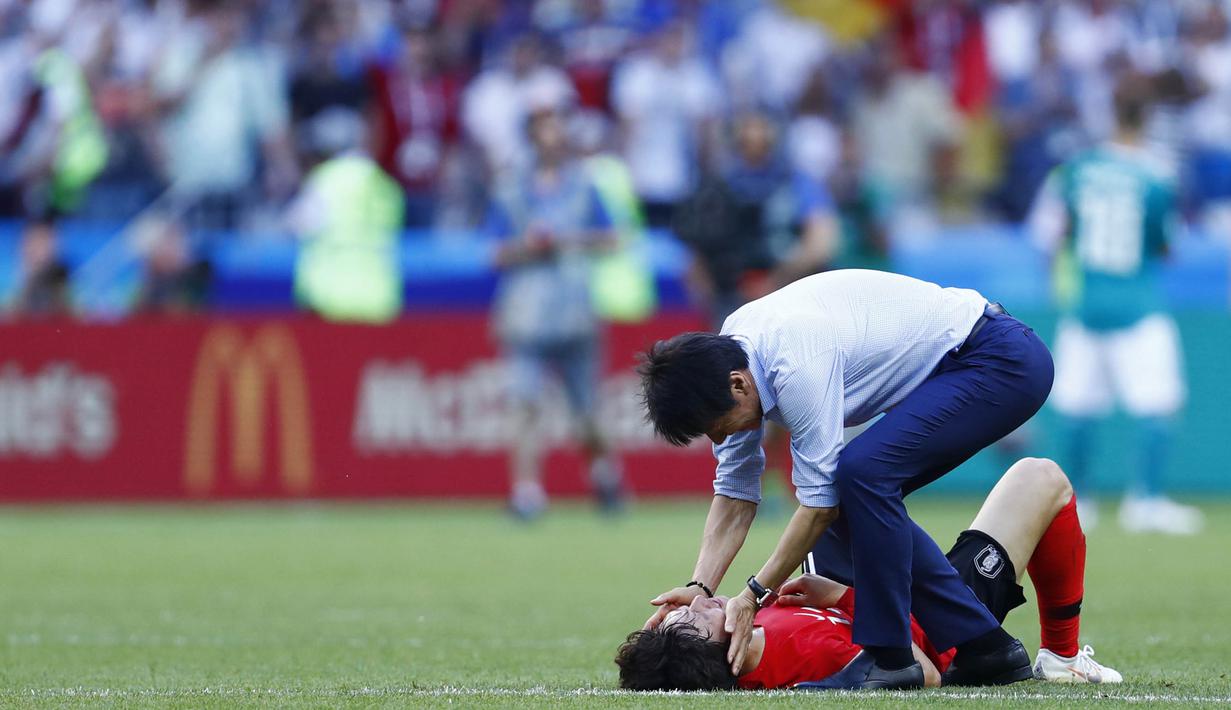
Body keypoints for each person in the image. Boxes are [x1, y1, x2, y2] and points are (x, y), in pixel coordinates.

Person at [638, 270, 1054, 689]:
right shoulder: (733, 363)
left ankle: (892, 657)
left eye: (716, 428)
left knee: (860, 476)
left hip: (1000, 360)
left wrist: (753, 596)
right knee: (854, 488)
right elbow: (734, 492)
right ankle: (985, 647)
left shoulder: (794, 362)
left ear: (738, 386)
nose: (718, 440)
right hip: (971, 361)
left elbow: (819, 506)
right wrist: (701, 587)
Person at [615, 457, 1122, 690]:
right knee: (1041, 478)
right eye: (700, 619)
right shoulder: (810, 661)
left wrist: (828, 591)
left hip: (875, 590)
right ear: (724, 653)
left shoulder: (751, 633)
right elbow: (921, 673)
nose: (701, 602)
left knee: (830, 487)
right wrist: (840, 596)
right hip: (941, 623)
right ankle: (1062, 656)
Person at [1030, 75, 1201, 535]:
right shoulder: (1156, 175)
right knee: (1157, 403)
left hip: (1085, 302)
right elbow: (1166, 246)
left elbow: (1050, 233)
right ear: (1148, 118)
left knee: (1076, 406)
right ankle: (1146, 500)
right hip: (1138, 303)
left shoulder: (1077, 169)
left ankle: (1077, 503)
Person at [489, 107, 625, 520]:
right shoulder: (511, 190)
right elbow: (494, 252)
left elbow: (612, 239)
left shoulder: (584, 186)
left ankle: (604, 474)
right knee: (524, 402)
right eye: (544, 130)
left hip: (574, 312)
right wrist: (527, 246)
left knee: (585, 412)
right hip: (525, 314)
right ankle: (527, 492)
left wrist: (567, 239)